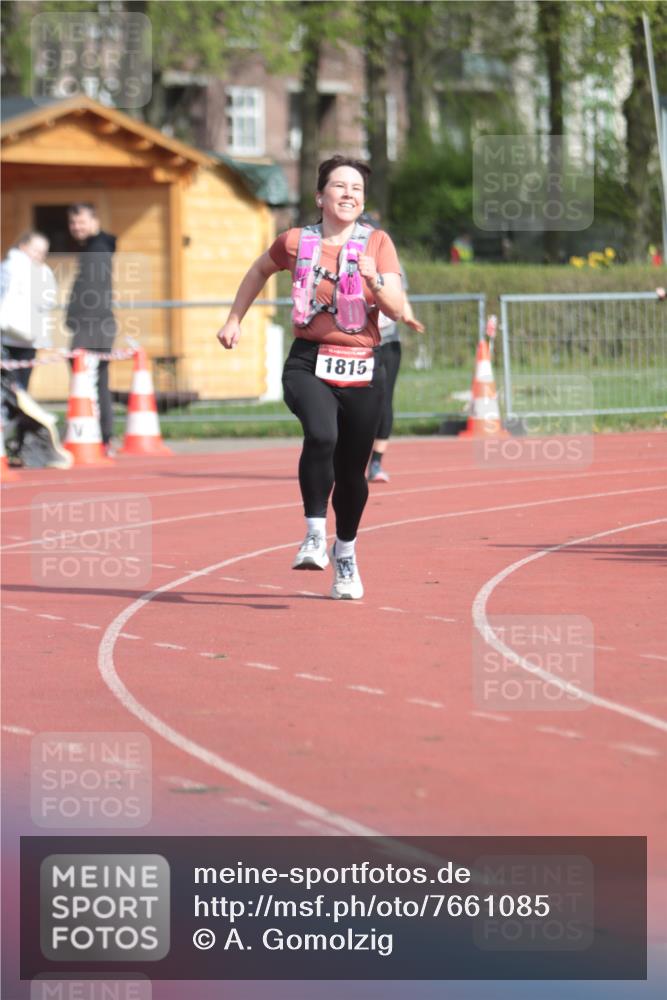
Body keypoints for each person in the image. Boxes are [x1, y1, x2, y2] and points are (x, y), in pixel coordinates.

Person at [217, 155, 403, 600]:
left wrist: (375, 281)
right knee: (321, 435)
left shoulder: (378, 243)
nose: (348, 195)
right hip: (308, 360)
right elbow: (259, 270)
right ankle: (315, 534)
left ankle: (346, 554)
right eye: (339, 186)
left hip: (361, 363)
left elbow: (396, 308)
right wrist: (234, 318)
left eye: (356, 189)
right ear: (320, 196)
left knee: (352, 472)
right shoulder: (296, 241)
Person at [65, 203, 117, 455]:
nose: (76, 227)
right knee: (97, 382)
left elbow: (91, 293)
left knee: (86, 381)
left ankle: (96, 437)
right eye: (73, 223)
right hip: (96, 323)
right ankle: (103, 437)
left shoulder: (97, 249)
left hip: (93, 325)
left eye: (81, 222)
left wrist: (76, 318)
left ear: (94, 220)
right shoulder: (95, 247)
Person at [0, 231, 56, 392]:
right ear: (23, 246)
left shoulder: (40, 271)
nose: (39, 255)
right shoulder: (13, 268)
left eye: (43, 252)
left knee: (17, 388)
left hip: (27, 338)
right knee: (13, 388)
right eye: (35, 250)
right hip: (10, 336)